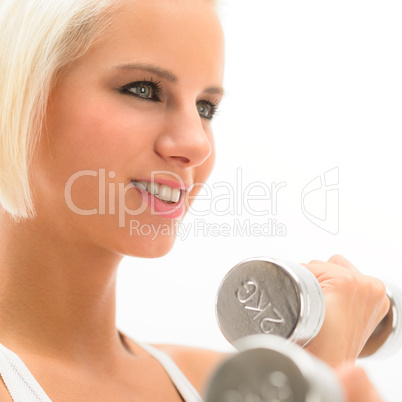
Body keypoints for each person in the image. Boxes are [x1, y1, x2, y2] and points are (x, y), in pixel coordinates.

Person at [0, 0, 390, 400]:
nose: (196, 144)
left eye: (205, 108)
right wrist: (313, 381)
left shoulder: (216, 384)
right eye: (144, 90)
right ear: (22, 93)